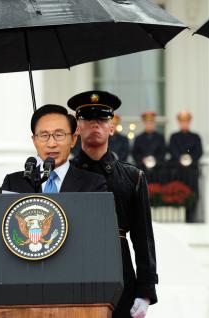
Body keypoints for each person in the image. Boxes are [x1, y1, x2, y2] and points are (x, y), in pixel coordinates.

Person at [68, 91, 158, 318]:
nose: (95, 125)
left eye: (102, 119)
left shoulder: (132, 176)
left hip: (120, 269)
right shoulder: (63, 175)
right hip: (73, 268)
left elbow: (143, 237)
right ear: (77, 128)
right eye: (88, 119)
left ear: (111, 127)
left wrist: (145, 290)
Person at [0, 104, 107, 193]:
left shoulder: (94, 184)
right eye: (44, 135)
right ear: (34, 141)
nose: (51, 144)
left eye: (59, 135)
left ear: (73, 140)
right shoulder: (13, 183)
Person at [168, 110, 203, 222]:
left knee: (192, 194)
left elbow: (199, 152)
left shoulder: (196, 137)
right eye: (182, 122)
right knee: (178, 192)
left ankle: (191, 216)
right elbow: (172, 150)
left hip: (191, 171)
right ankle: (179, 216)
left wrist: (190, 159)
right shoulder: (174, 136)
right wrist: (181, 159)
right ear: (179, 123)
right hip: (178, 171)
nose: (184, 124)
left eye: (186, 122)